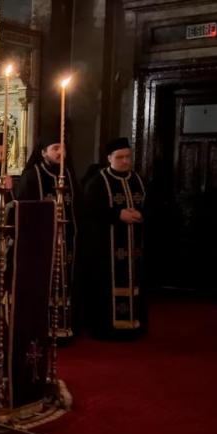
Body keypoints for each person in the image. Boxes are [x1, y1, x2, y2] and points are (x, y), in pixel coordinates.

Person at [80, 137, 147, 339]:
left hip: (134, 246)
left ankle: (134, 324)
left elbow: (151, 204)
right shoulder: (98, 181)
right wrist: (118, 215)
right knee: (106, 286)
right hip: (106, 248)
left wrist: (141, 214)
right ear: (109, 158)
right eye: (120, 157)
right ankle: (107, 328)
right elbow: (89, 210)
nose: (125, 161)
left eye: (128, 157)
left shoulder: (138, 180)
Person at [16, 132, 79, 341]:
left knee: (65, 281)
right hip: (41, 243)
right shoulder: (31, 176)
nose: (61, 153)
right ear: (43, 152)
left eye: (63, 148)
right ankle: (42, 329)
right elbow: (23, 212)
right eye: (55, 148)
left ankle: (64, 326)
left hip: (67, 241)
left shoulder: (68, 174)